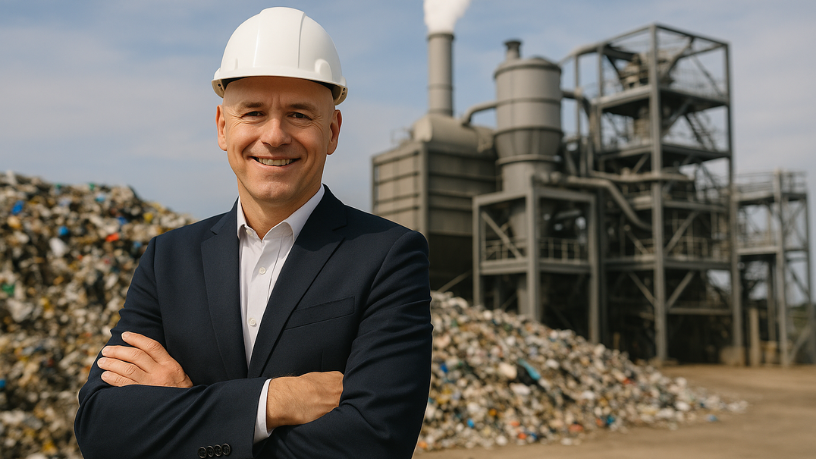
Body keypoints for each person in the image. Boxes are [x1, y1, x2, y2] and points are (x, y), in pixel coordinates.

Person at [73, 7, 432, 459]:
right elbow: (102, 427)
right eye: (254, 113)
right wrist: (271, 401)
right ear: (223, 128)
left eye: (299, 114)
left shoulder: (388, 255)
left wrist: (184, 407)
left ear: (332, 131)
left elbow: (375, 441)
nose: (275, 135)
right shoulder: (169, 259)